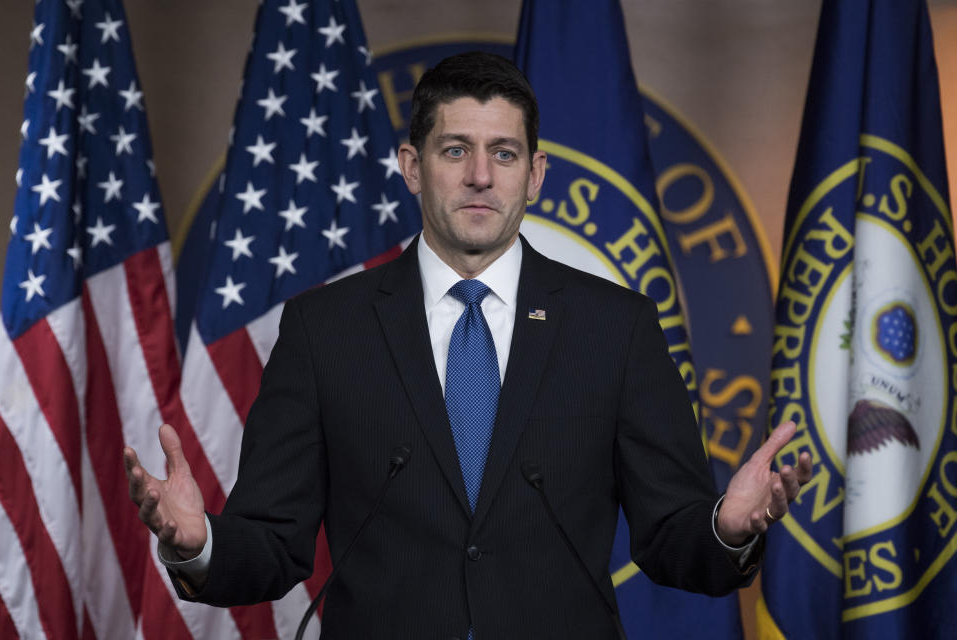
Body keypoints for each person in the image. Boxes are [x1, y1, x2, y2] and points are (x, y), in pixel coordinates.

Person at [125, 51, 812, 639]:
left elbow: (672, 544)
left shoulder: (616, 329)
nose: (480, 175)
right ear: (412, 166)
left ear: (536, 175)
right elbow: (272, 545)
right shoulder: (323, 331)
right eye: (456, 150)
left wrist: (727, 524)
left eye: (504, 153)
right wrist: (199, 543)